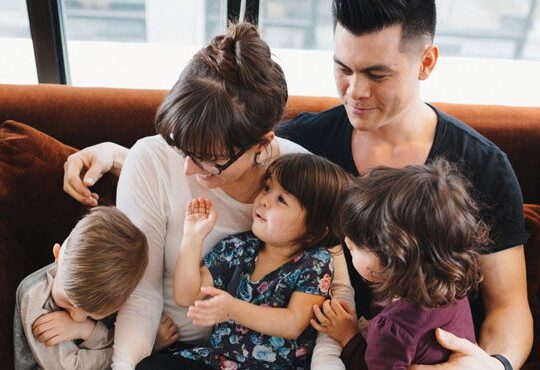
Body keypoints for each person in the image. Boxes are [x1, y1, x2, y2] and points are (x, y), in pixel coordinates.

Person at [63, 1, 533, 368]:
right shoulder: (304, 147)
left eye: (376, 73)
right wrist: (119, 155)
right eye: (343, 68)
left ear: (426, 62)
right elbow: (214, 157)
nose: (355, 92)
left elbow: (510, 306)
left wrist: (493, 365)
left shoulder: (481, 166)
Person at [63, 23, 354, 369]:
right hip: (191, 357)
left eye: (210, 160)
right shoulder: (153, 162)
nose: (188, 169)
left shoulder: (303, 179)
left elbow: (336, 296)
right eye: (180, 145)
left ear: (261, 145)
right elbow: (142, 295)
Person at [145, 154, 350, 369]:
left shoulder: (315, 262)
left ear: (315, 228)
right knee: (152, 366)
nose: (264, 200)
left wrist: (232, 309)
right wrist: (193, 237)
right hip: (219, 361)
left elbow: (293, 323)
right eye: (267, 188)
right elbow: (186, 295)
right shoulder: (239, 247)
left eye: (282, 200)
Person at [312, 159, 490, 368]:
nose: (347, 242)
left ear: (396, 258)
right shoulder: (449, 282)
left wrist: (348, 336)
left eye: (356, 246)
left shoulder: (392, 329)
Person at [13, 206, 153, 370]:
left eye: (88, 314)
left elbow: (118, 339)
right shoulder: (36, 298)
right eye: (68, 302)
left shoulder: (113, 291)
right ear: (57, 254)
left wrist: (86, 330)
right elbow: (71, 367)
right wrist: (139, 352)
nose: (77, 317)